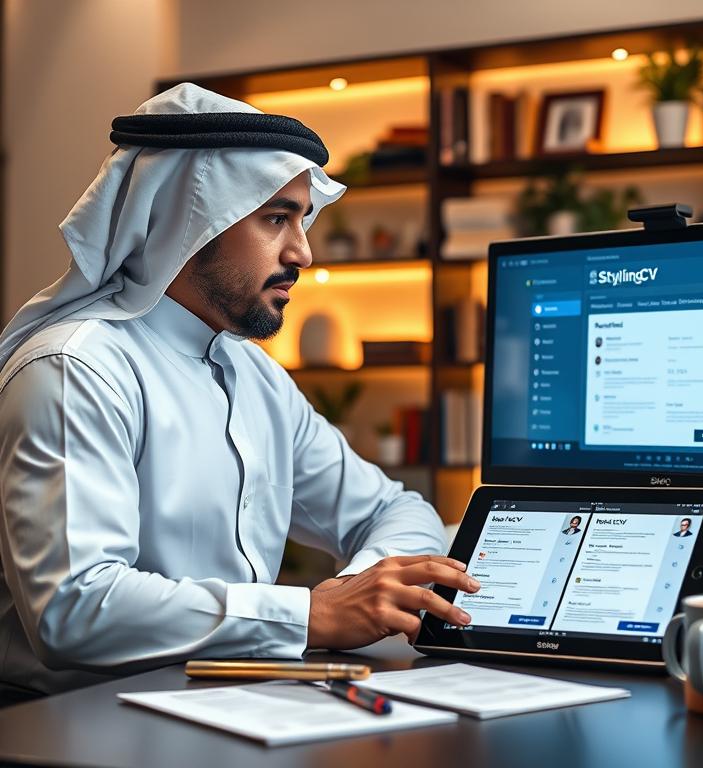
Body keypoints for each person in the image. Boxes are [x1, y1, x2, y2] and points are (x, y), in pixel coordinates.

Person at [0, 84, 478, 697]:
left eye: (301, 220)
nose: (302, 251)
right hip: (71, 727)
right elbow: (75, 608)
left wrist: (352, 593)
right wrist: (313, 616)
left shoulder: (255, 377)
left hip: (237, 706)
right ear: (189, 222)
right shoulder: (76, 370)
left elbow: (398, 511)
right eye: (276, 218)